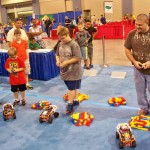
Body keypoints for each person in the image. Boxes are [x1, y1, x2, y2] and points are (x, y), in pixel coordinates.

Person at [124, 14, 150, 116]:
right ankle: (143, 108)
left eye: (140, 25)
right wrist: (134, 62)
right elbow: (127, 49)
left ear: (147, 23)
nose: (137, 27)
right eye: (136, 24)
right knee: (140, 90)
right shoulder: (132, 34)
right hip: (138, 69)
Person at [56, 27, 82, 114]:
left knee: (71, 88)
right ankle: (75, 99)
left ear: (68, 35)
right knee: (71, 87)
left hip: (74, 71)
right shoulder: (60, 44)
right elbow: (57, 54)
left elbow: (78, 57)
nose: (61, 40)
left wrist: (67, 62)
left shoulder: (74, 44)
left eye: (63, 38)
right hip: (64, 71)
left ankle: (70, 104)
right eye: (60, 38)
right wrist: (58, 61)